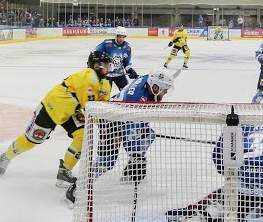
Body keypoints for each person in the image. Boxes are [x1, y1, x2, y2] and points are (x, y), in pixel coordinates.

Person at [63, 69, 178, 211]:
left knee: (149, 135)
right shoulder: (136, 100)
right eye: (163, 90)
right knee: (107, 161)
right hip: (110, 120)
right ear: (155, 86)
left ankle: (131, 169)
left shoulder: (148, 80)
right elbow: (129, 138)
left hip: (122, 115)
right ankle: (77, 188)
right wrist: (136, 154)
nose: (165, 93)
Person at [0, 50, 112, 187]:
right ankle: (7, 156)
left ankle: (64, 170)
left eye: (107, 64)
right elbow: (90, 108)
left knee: (82, 135)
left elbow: (101, 106)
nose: (107, 67)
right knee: (32, 140)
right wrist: (104, 125)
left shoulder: (104, 84)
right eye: (104, 64)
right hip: (52, 107)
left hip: (70, 111)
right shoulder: (89, 79)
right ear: (95, 65)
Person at [94, 27, 137, 97]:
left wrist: (130, 70)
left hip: (119, 74)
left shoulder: (127, 47)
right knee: (104, 95)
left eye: (123, 37)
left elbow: (126, 62)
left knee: (127, 94)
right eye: (119, 37)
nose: (121, 39)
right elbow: (96, 53)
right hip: (107, 75)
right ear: (116, 36)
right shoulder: (107, 44)